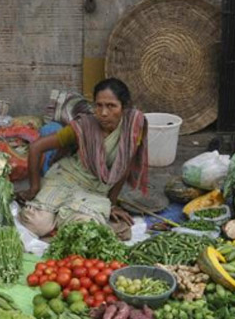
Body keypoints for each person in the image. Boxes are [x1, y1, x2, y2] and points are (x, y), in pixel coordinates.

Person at [17, 78, 148, 241]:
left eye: (111, 106)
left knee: (84, 229)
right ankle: (57, 216)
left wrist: (111, 204)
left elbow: (124, 166)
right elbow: (36, 147)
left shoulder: (132, 127)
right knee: (35, 223)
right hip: (67, 177)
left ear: (124, 107)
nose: (103, 112)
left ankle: (61, 218)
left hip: (96, 189)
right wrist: (34, 188)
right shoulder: (83, 126)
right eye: (99, 105)